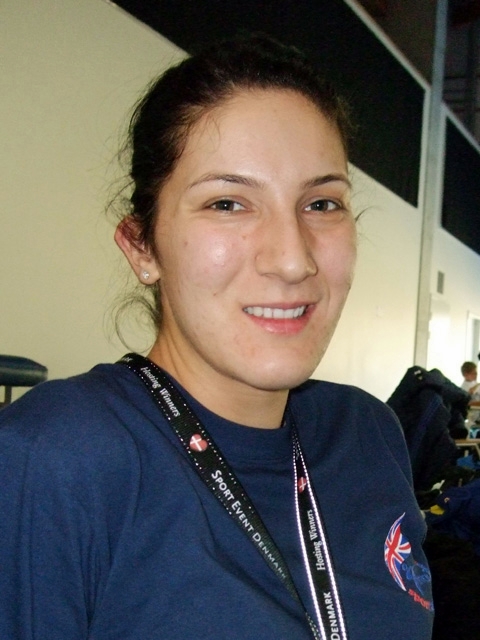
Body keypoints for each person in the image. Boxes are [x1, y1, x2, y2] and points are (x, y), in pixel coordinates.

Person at [0, 35, 433, 639]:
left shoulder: (368, 433)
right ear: (142, 246)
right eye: (228, 203)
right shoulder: (53, 459)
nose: (293, 260)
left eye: (321, 203)